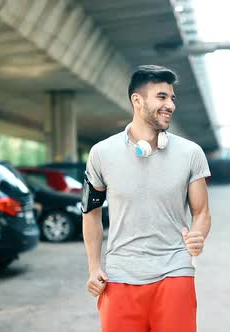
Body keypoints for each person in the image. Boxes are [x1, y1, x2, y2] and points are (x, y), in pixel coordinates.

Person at [82, 65, 211, 332]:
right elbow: (90, 213)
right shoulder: (101, 153)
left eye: (172, 98)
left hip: (175, 273)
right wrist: (94, 267)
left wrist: (198, 235)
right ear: (137, 101)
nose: (170, 105)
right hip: (119, 277)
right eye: (162, 97)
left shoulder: (191, 153)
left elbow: (202, 213)